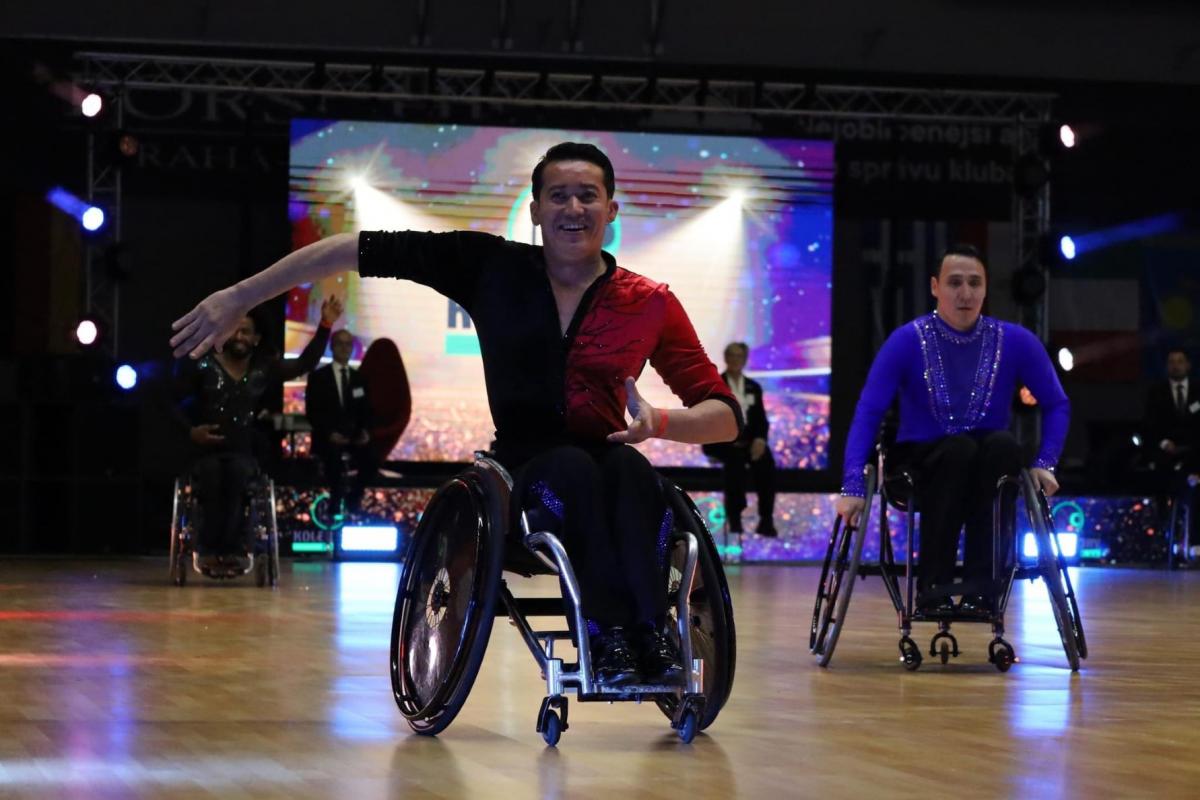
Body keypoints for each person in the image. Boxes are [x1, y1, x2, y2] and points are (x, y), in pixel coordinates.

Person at [169, 142, 742, 685]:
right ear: (537, 210)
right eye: (559, 195)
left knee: (633, 474)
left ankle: (648, 635)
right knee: (572, 470)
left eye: (588, 195)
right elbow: (353, 249)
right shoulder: (488, 266)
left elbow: (724, 415)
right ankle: (610, 635)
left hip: (610, 454)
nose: (574, 208)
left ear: (611, 209)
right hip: (525, 467)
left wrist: (661, 423)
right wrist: (241, 297)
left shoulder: (649, 302)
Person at [835, 244, 1069, 618]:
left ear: (986, 288)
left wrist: (1046, 462)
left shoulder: (1015, 341)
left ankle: (984, 588)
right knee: (959, 449)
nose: (965, 293)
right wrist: (851, 485)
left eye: (975, 283)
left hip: (987, 463)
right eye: (955, 282)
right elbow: (869, 411)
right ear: (934, 287)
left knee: (1003, 446)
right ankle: (934, 586)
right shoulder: (907, 340)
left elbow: (1057, 403)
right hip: (922, 461)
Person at [172, 299, 341, 570]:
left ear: (256, 338)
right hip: (206, 451)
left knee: (239, 476)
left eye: (245, 332)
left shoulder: (263, 368)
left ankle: (235, 549)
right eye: (234, 331)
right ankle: (208, 548)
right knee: (213, 477)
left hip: (242, 450)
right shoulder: (202, 365)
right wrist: (192, 432)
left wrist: (325, 325)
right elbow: (169, 402)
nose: (239, 337)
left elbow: (303, 364)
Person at [702, 342, 778, 536]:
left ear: (744, 360)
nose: (736, 360)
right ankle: (735, 519)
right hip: (722, 441)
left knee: (766, 464)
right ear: (726, 358)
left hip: (749, 442)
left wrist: (760, 439)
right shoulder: (715, 385)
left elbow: (761, 419)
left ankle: (766, 520)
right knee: (734, 464)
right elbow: (709, 419)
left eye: (740, 356)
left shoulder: (754, 387)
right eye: (732, 356)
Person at [305, 328, 379, 519]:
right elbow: (313, 411)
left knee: (371, 459)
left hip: (354, 437)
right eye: (340, 343)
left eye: (348, 344)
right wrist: (329, 433)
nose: (344, 348)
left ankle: (354, 499)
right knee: (333, 460)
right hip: (327, 437)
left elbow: (366, 411)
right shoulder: (318, 378)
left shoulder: (360, 379)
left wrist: (365, 432)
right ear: (332, 347)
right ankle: (335, 502)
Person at [1143, 348, 1200, 560]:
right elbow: (1150, 425)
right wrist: (1165, 443)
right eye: (1172, 362)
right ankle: (1167, 536)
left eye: (1180, 361)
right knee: (1162, 484)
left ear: (1188, 365)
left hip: (1194, 455)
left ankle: (1194, 541)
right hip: (1166, 455)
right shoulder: (1156, 392)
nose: (1176, 365)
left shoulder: (1198, 392)